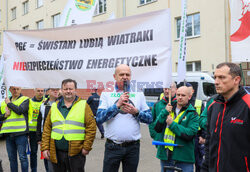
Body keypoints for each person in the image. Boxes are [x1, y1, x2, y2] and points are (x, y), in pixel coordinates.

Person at [96, 64, 153, 172]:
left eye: (127, 74)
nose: (125, 77)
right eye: (121, 74)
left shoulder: (138, 93)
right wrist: (116, 106)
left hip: (133, 147)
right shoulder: (107, 93)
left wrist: (136, 112)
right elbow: (99, 119)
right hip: (113, 146)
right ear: (114, 76)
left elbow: (149, 119)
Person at [201, 62, 250, 172]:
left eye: (222, 77)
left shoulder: (247, 105)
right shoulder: (213, 107)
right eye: (215, 77)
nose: (216, 82)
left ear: (236, 80)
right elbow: (209, 144)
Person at [41, 79, 96, 172]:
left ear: (75, 90)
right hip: (56, 152)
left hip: (76, 153)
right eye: (65, 89)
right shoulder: (54, 106)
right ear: (61, 90)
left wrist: (86, 147)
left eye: (71, 89)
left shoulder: (84, 105)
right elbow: (47, 128)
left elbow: (91, 127)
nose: (68, 91)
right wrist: (45, 147)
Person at [154, 86, 199, 172]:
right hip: (166, 155)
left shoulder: (193, 113)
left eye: (183, 95)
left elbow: (190, 134)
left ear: (189, 97)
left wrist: (172, 124)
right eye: (178, 95)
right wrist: (164, 112)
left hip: (184, 157)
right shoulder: (168, 109)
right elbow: (157, 128)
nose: (180, 97)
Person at [0, 86, 32, 172]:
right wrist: (4, 115)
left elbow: (20, 110)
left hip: (21, 134)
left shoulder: (25, 100)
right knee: (12, 158)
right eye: (14, 89)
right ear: (10, 90)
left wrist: (9, 104)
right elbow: (0, 117)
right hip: (8, 134)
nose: (16, 91)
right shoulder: (3, 103)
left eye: (18, 89)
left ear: (21, 89)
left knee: (23, 158)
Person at [148, 83, 177, 172]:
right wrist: (156, 137)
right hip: (163, 145)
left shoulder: (179, 104)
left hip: (177, 145)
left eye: (169, 88)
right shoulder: (158, 105)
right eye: (165, 88)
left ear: (175, 89)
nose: (166, 90)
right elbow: (151, 122)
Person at [37, 88, 60, 172]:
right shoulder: (43, 105)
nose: (56, 91)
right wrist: (39, 138)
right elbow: (39, 121)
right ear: (48, 92)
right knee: (47, 159)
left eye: (57, 89)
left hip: (58, 136)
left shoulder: (62, 103)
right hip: (46, 136)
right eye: (53, 90)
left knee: (58, 160)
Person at [29, 88, 45, 172]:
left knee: (46, 152)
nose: (40, 92)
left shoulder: (47, 101)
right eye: (38, 91)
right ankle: (33, 170)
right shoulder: (29, 102)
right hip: (32, 132)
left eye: (42, 91)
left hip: (43, 131)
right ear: (34, 91)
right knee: (33, 153)